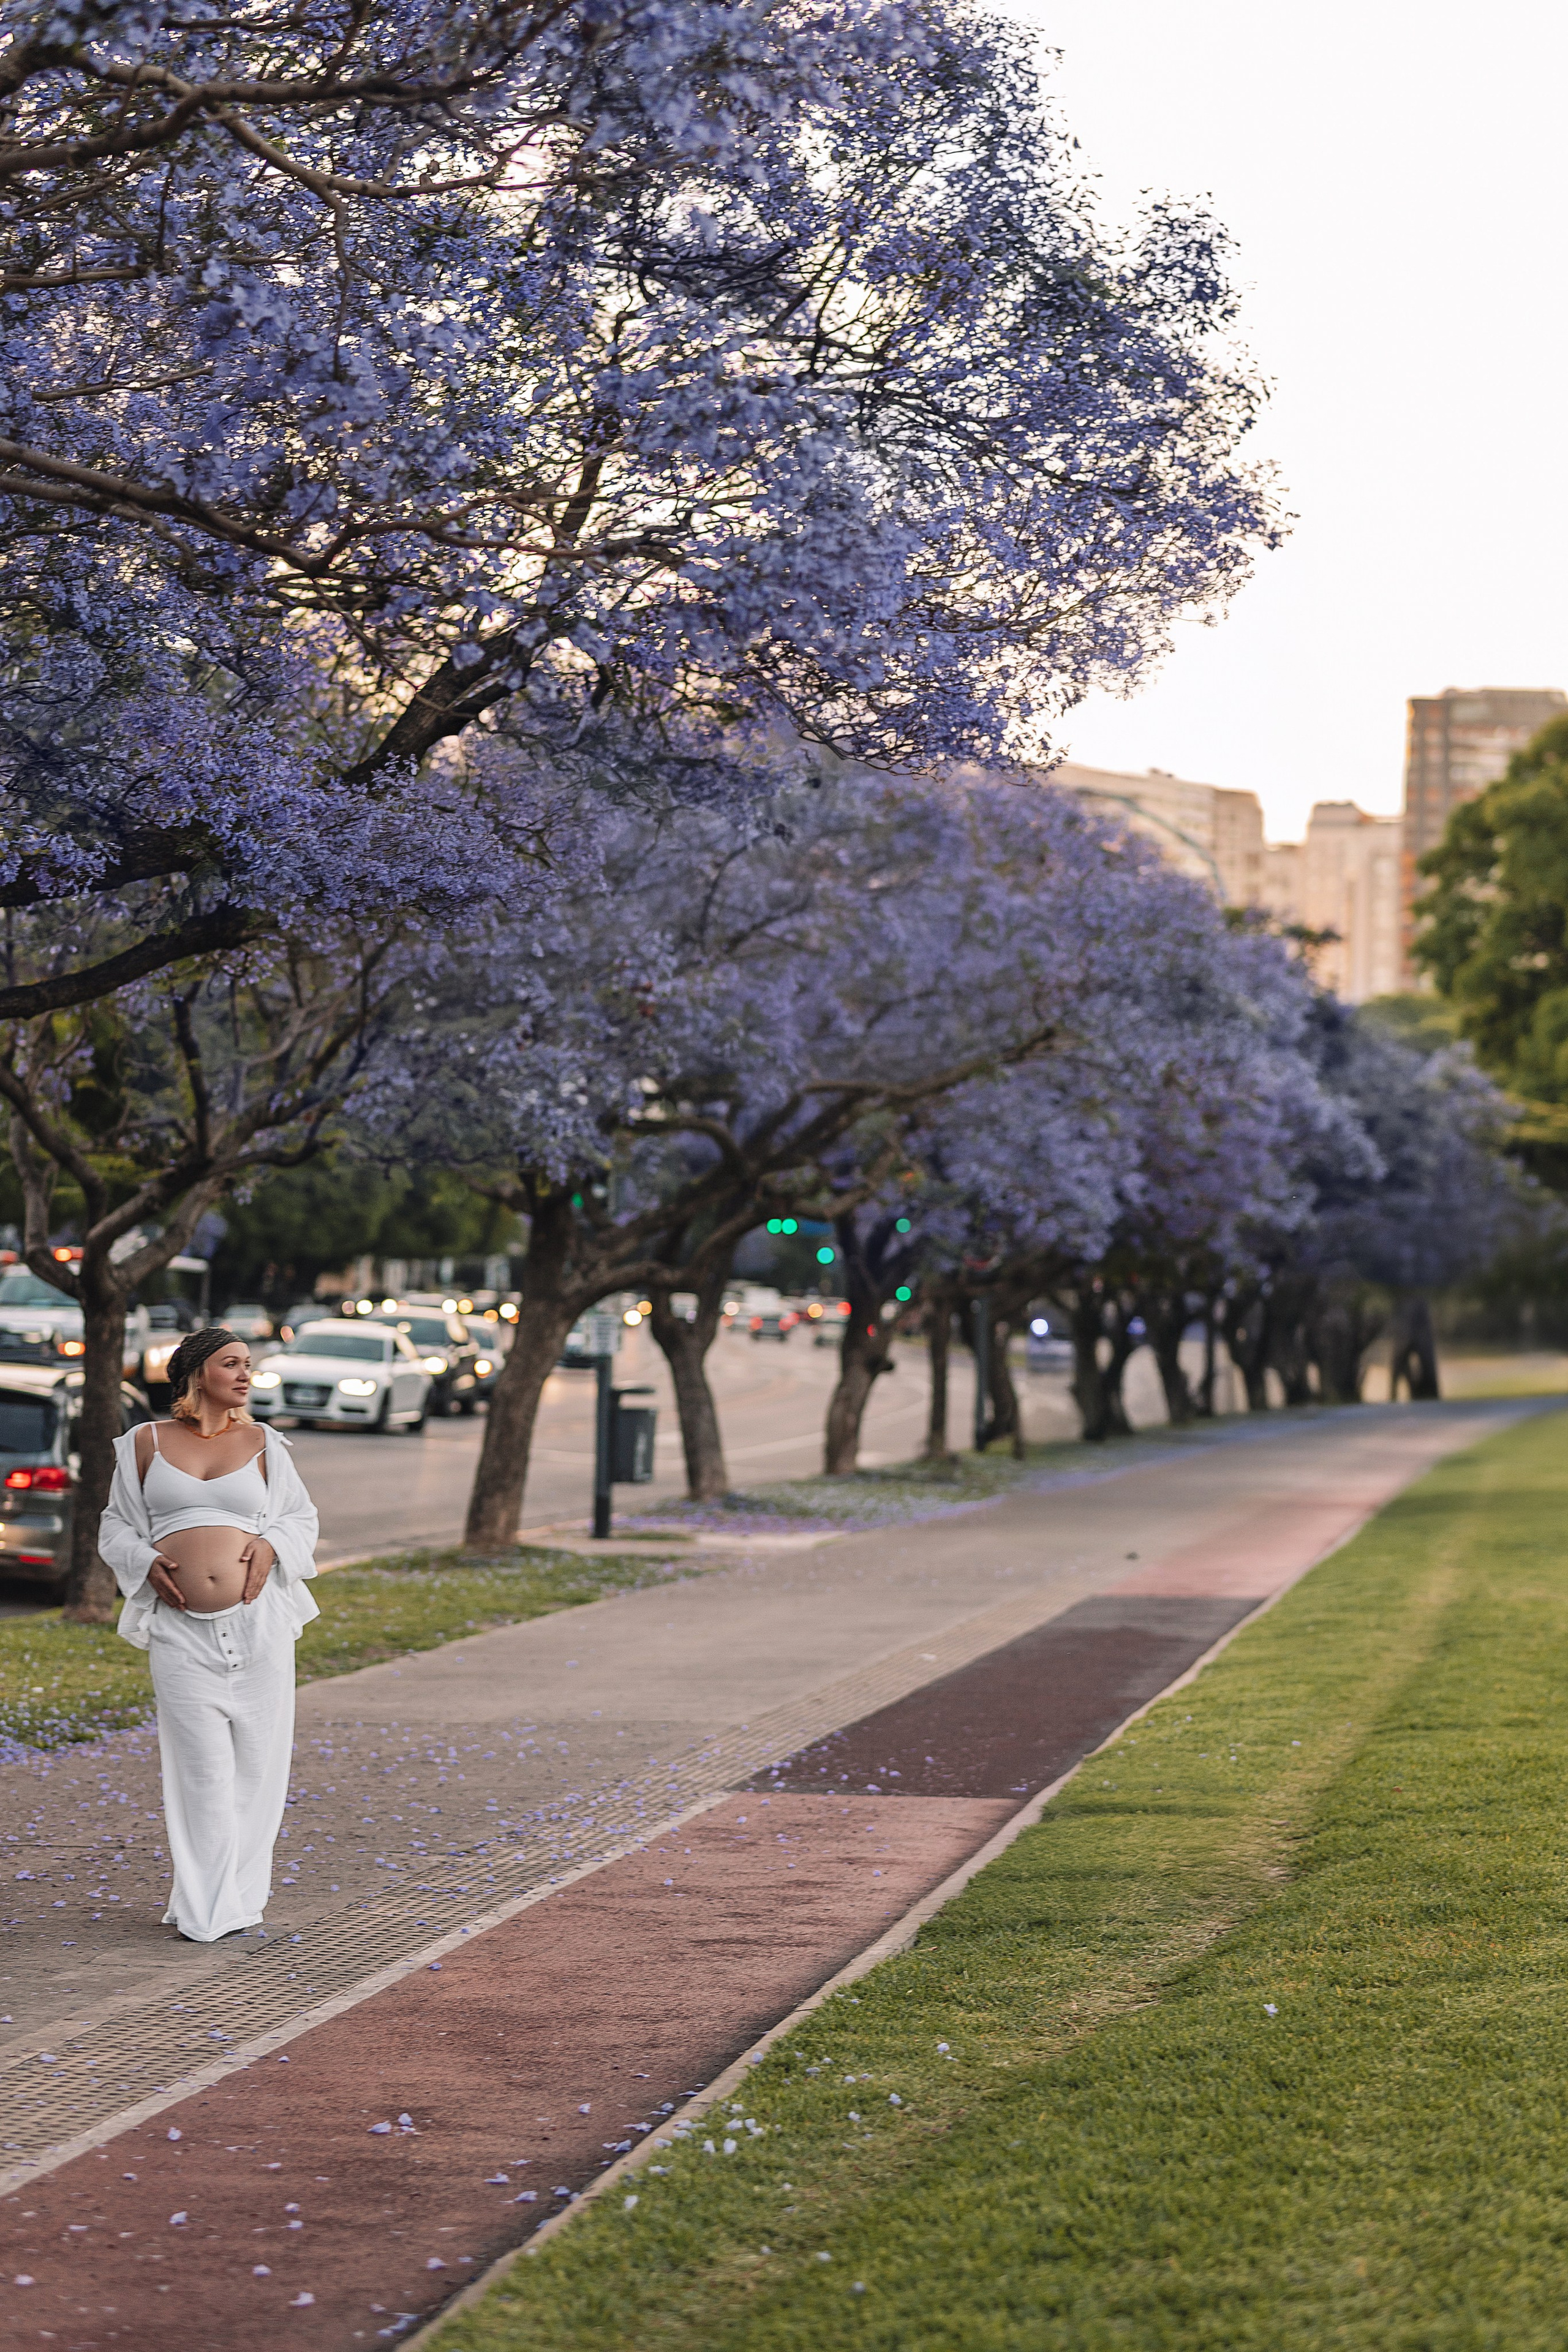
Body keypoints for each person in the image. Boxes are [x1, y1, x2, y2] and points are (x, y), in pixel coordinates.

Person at [97, 1325, 320, 1943]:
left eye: (249, 1364)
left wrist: (273, 1547)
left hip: (260, 1630)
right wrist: (142, 1564)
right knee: (200, 1772)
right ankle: (205, 1905)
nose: (245, 1375)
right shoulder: (143, 1443)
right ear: (197, 1374)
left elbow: (301, 1520)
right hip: (179, 1634)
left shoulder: (267, 1444)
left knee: (255, 1769)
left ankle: (236, 1894)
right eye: (231, 1364)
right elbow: (115, 1529)